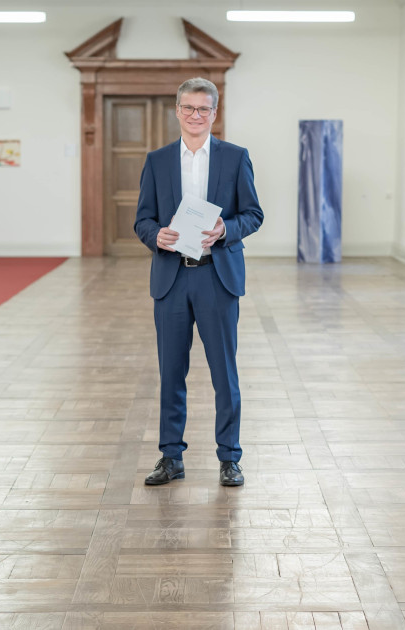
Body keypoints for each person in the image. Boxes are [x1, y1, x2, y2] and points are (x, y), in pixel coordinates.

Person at [134, 77, 263, 487]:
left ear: (214, 113)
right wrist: (155, 235)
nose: (195, 115)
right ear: (177, 111)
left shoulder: (234, 157)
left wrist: (227, 229)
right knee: (171, 372)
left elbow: (254, 215)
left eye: (203, 109)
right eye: (188, 108)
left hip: (216, 278)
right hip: (171, 279)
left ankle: (229, 458)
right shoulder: (157, 161)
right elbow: (142, 219)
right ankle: (171, 457)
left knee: (224, 373)